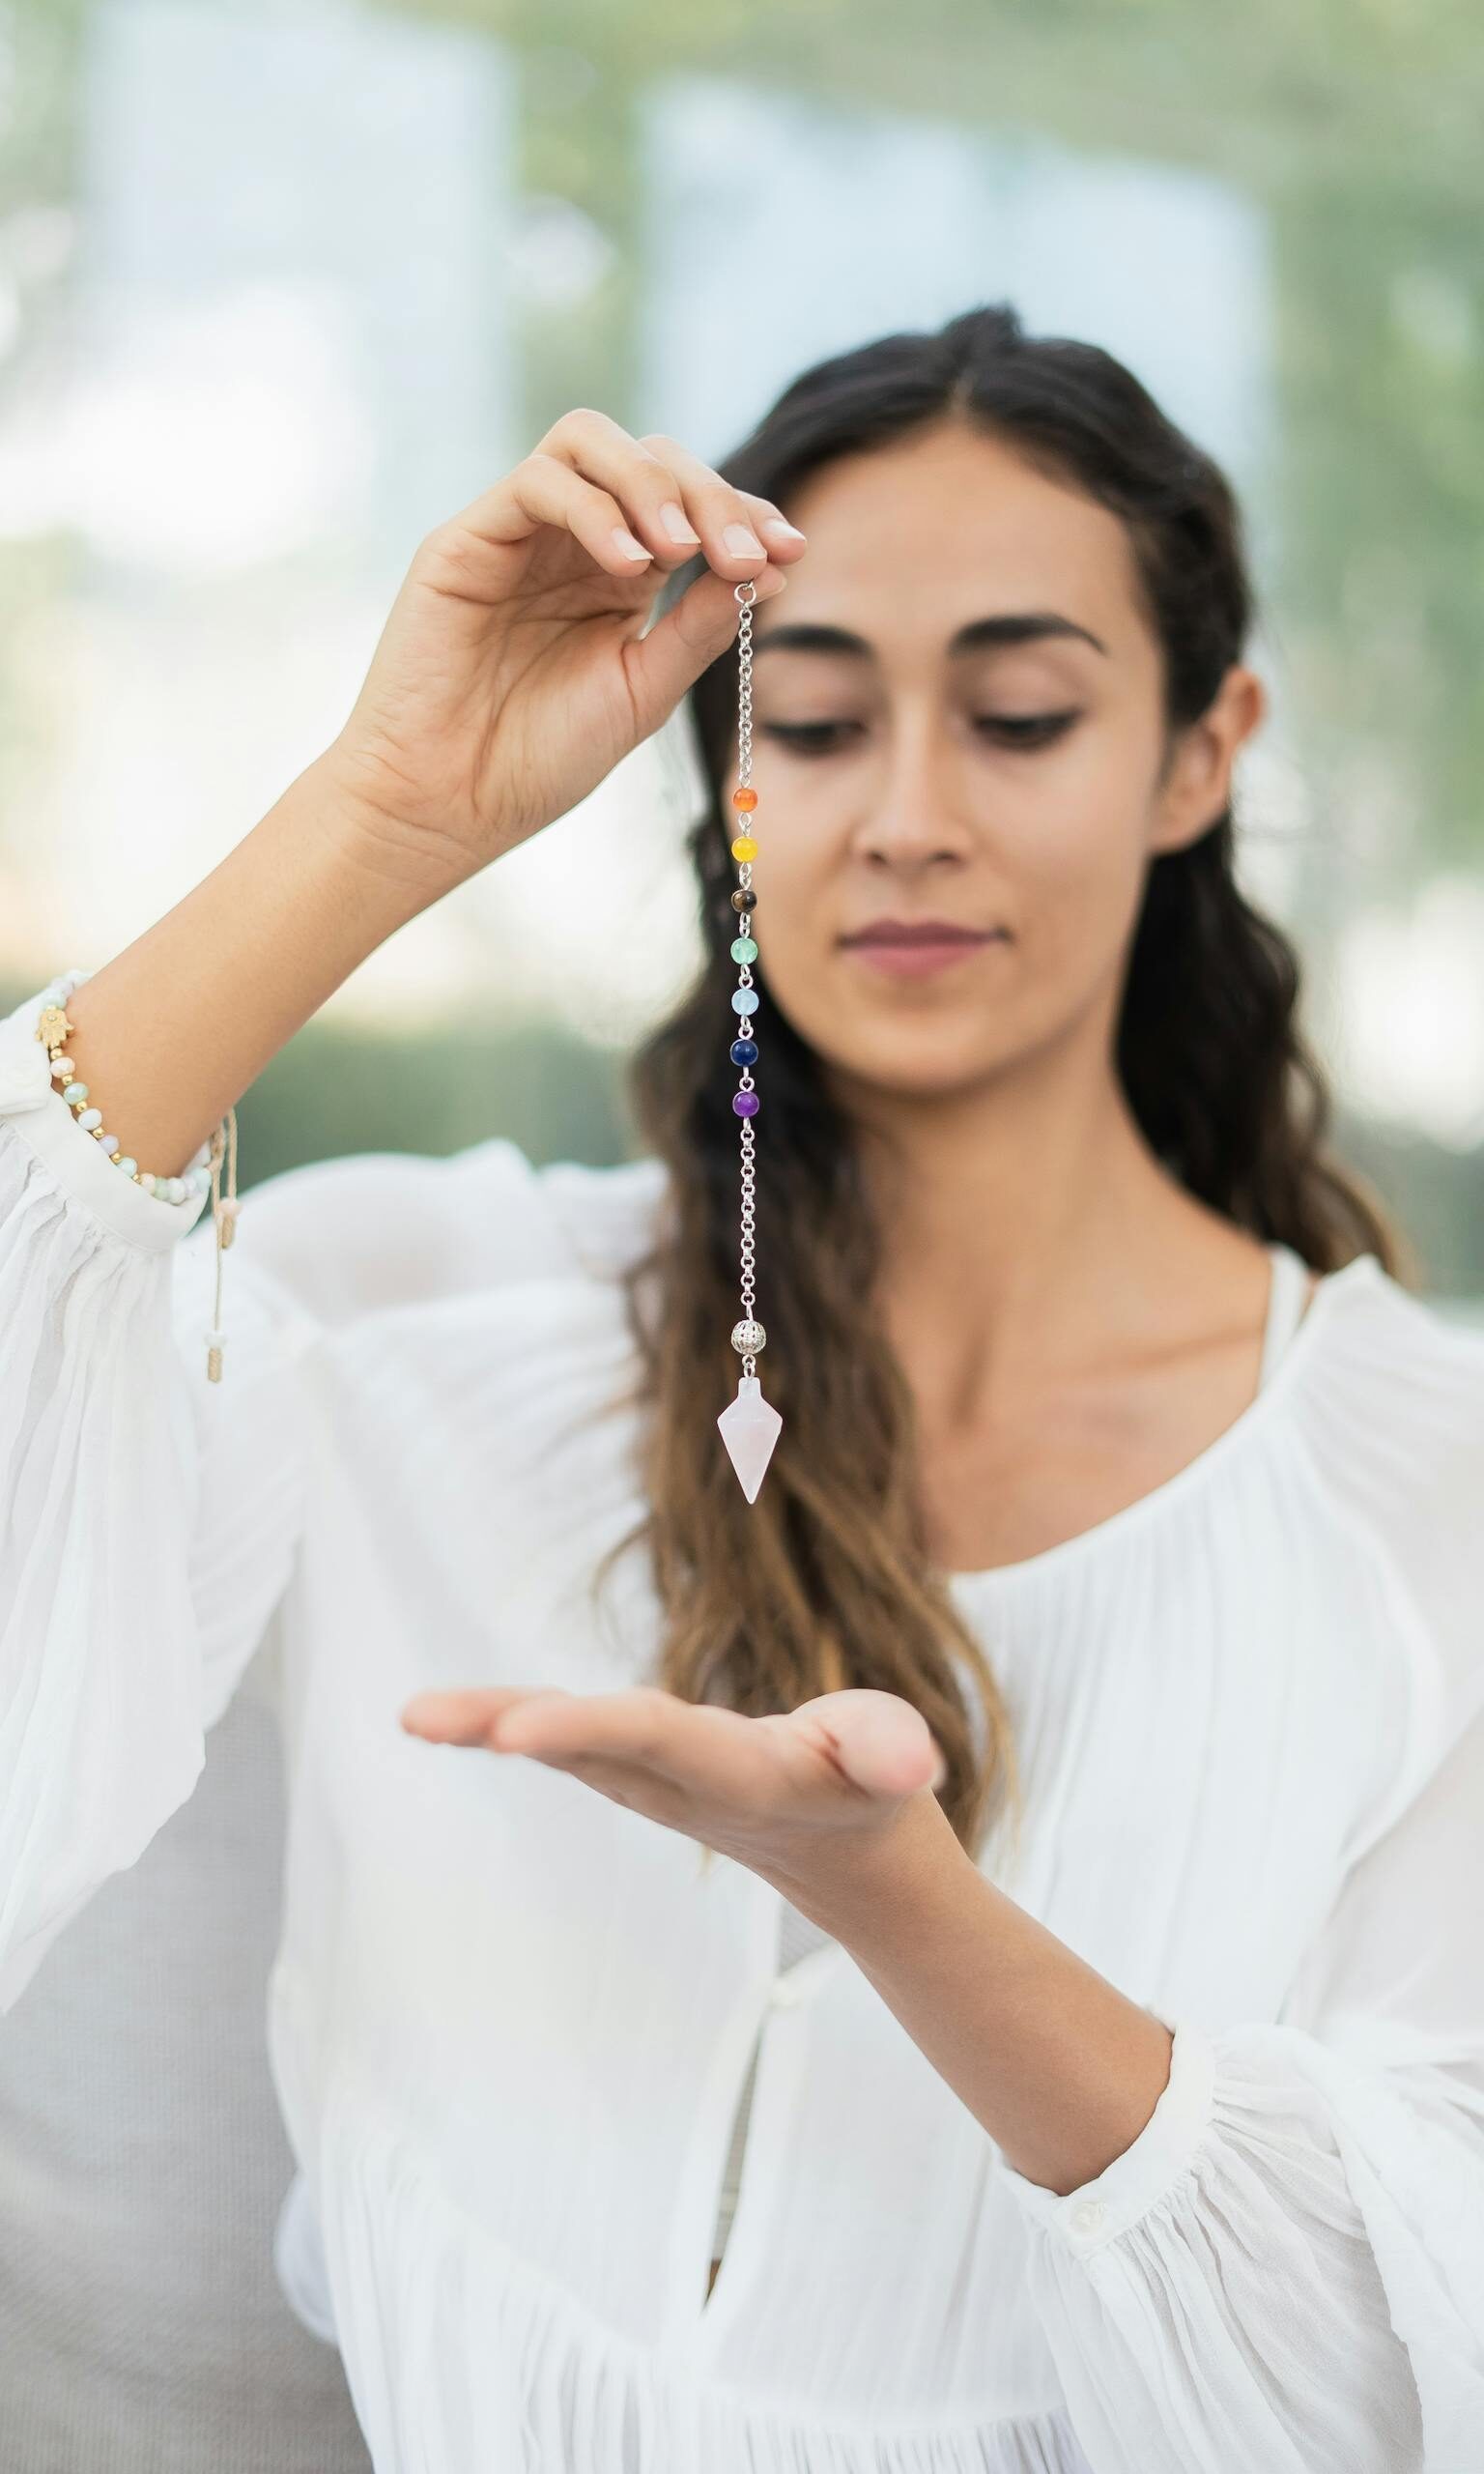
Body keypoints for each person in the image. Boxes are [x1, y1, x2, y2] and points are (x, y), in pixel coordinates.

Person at [1, 301, 1480, 2474]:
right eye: (806, 712)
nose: (901, 817)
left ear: (1203, 745)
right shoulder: (417, 1318)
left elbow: (1389, 2365)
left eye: (1021, 714)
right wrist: (382, 810)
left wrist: (905, 1895)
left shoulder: (1429, 1507)